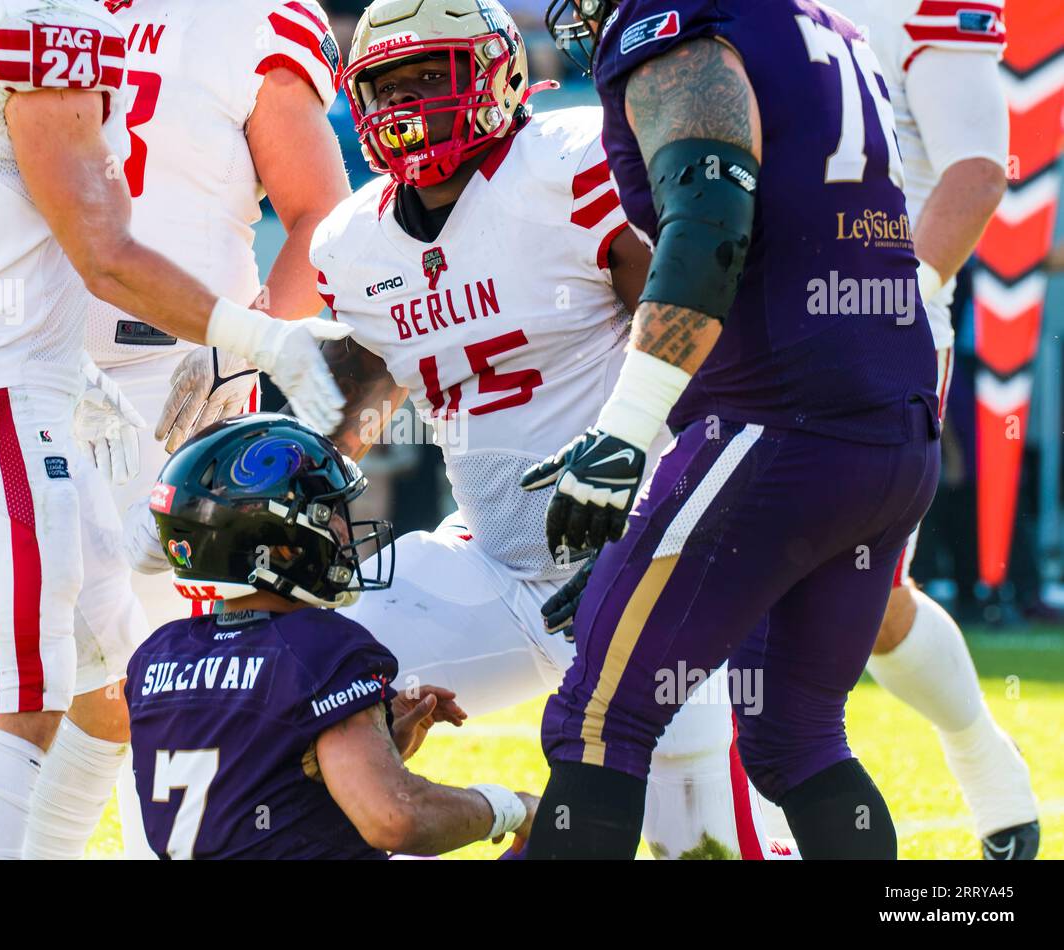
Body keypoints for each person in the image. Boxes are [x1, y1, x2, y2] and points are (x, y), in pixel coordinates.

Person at [0, 0, 353, 860]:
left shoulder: (250, 18)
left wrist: (249, 344)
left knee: (139, 672)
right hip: (13, 379)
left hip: (168, 388)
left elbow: (322, 215)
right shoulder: (16, 11)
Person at [308, 0, 776, 859]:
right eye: (387, 81)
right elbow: (360, 406)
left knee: (704, 842)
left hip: (648, 555)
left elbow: (706, 347)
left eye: (430, 74)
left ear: (495, 73)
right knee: (299, 683)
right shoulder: (351, 240)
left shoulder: (569, 160)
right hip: (495, 563)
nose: (407, 100)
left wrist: (674, 527)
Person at [524, 0, 941, 859]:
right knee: (798, 738)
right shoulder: (821, 25)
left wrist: (627, 431)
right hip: (891, 427)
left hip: (783, 422)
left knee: (598, 720)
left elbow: (711, 219)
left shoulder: (676, 25)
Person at [129, 413, 538, 859]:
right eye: (329, 513)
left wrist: (375, 751)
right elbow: (397, 819)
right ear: (281, 545)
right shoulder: (321, 647)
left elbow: (246, 798)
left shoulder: (155, 656)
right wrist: (511, 807)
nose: (345, 530)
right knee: (562, 835)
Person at [829, 0, 1037, 860]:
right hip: (745, 320)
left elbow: (978, 172)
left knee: (865, 596)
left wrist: (888, 309)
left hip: (877, 328)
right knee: (732, 578)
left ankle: (981, 755)